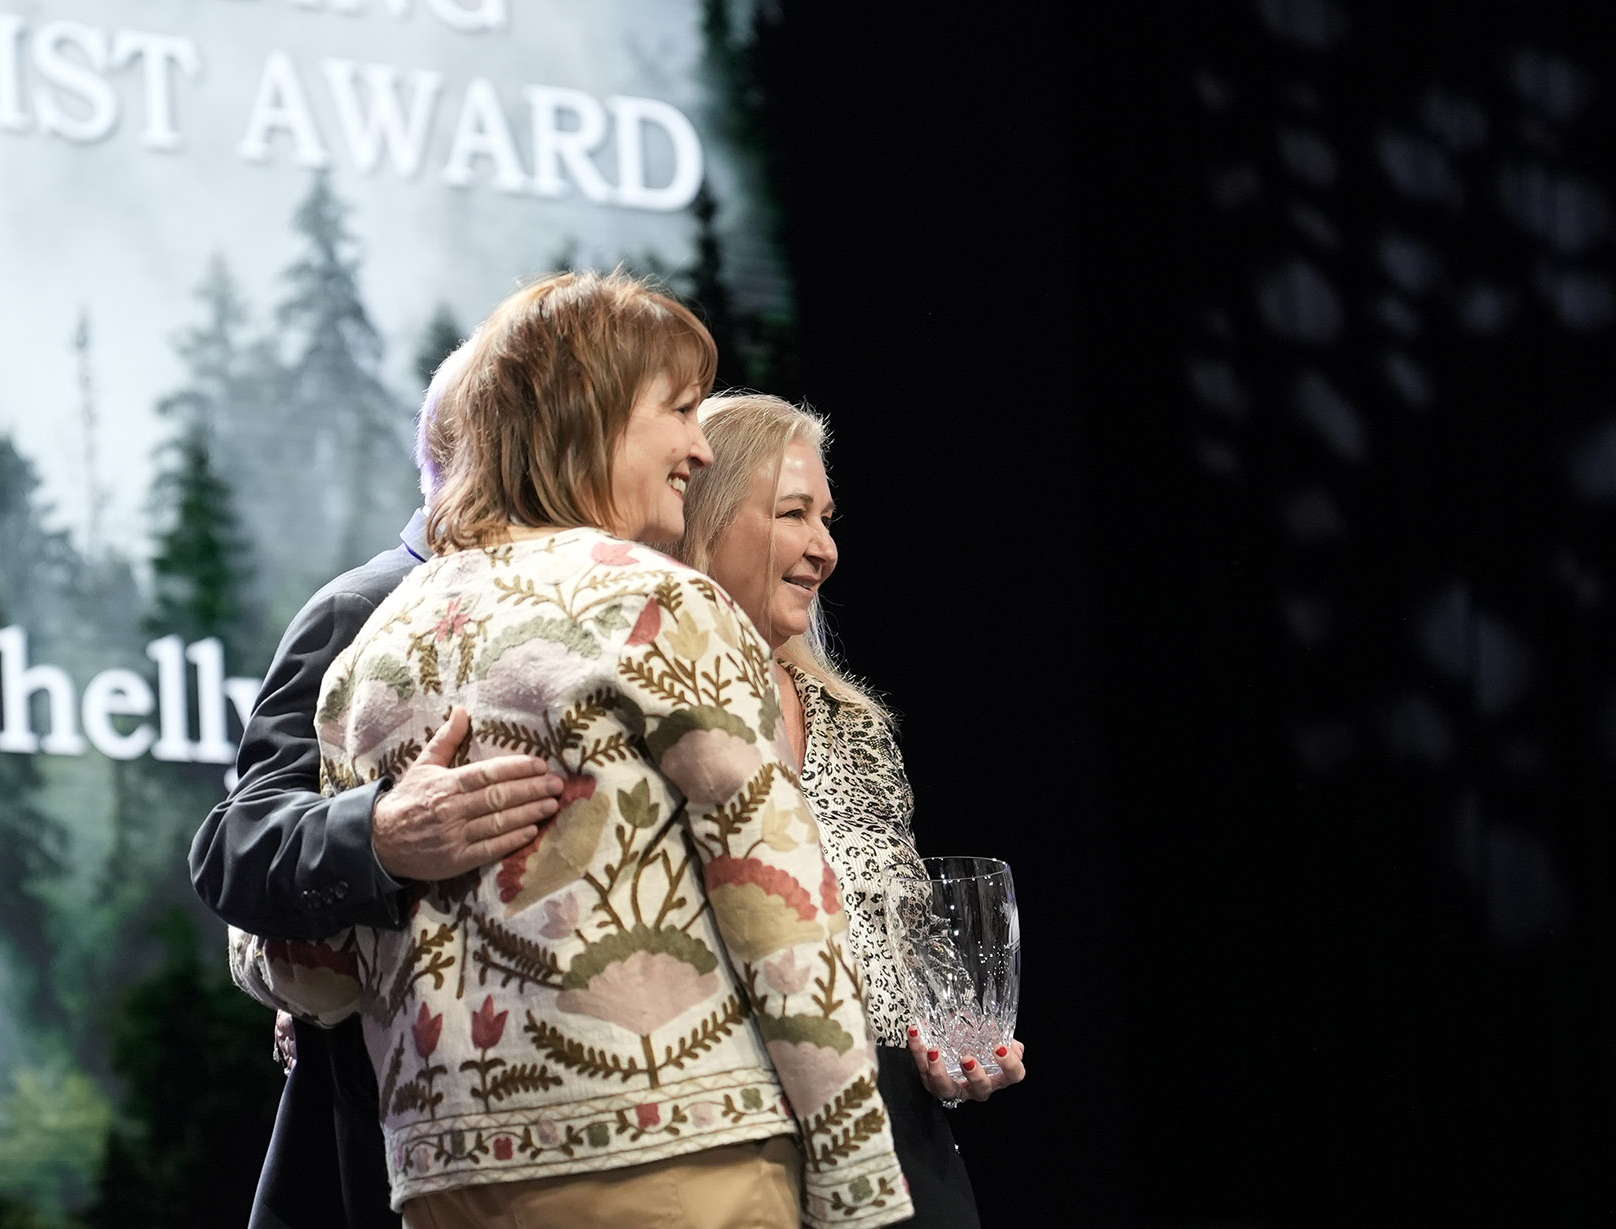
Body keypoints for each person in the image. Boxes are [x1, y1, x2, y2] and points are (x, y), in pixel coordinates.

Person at [228, 271, 911, 1228]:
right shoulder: (661, 602)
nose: (700, 445)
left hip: (445, 1179)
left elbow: (317, 980)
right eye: (680, 410)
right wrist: (860, 1180)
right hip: (674, 1164)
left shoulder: (377, 649)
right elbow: (778, 906)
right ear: (596, 417)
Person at [189, 340, 566, 1229]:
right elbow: (236, 844)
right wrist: (383, 834)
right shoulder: (365, 605)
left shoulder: (574, 609)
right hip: (380, 1138)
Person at [676, 391, 1024, 1229]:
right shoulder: (658, 714)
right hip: (739, 1140)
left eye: (826, 519)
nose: (824, 549)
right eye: (793, 513)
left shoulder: (854, 725)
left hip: (900, 1142)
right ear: (704, 518)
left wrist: (955, 1045)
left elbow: (913, 934)